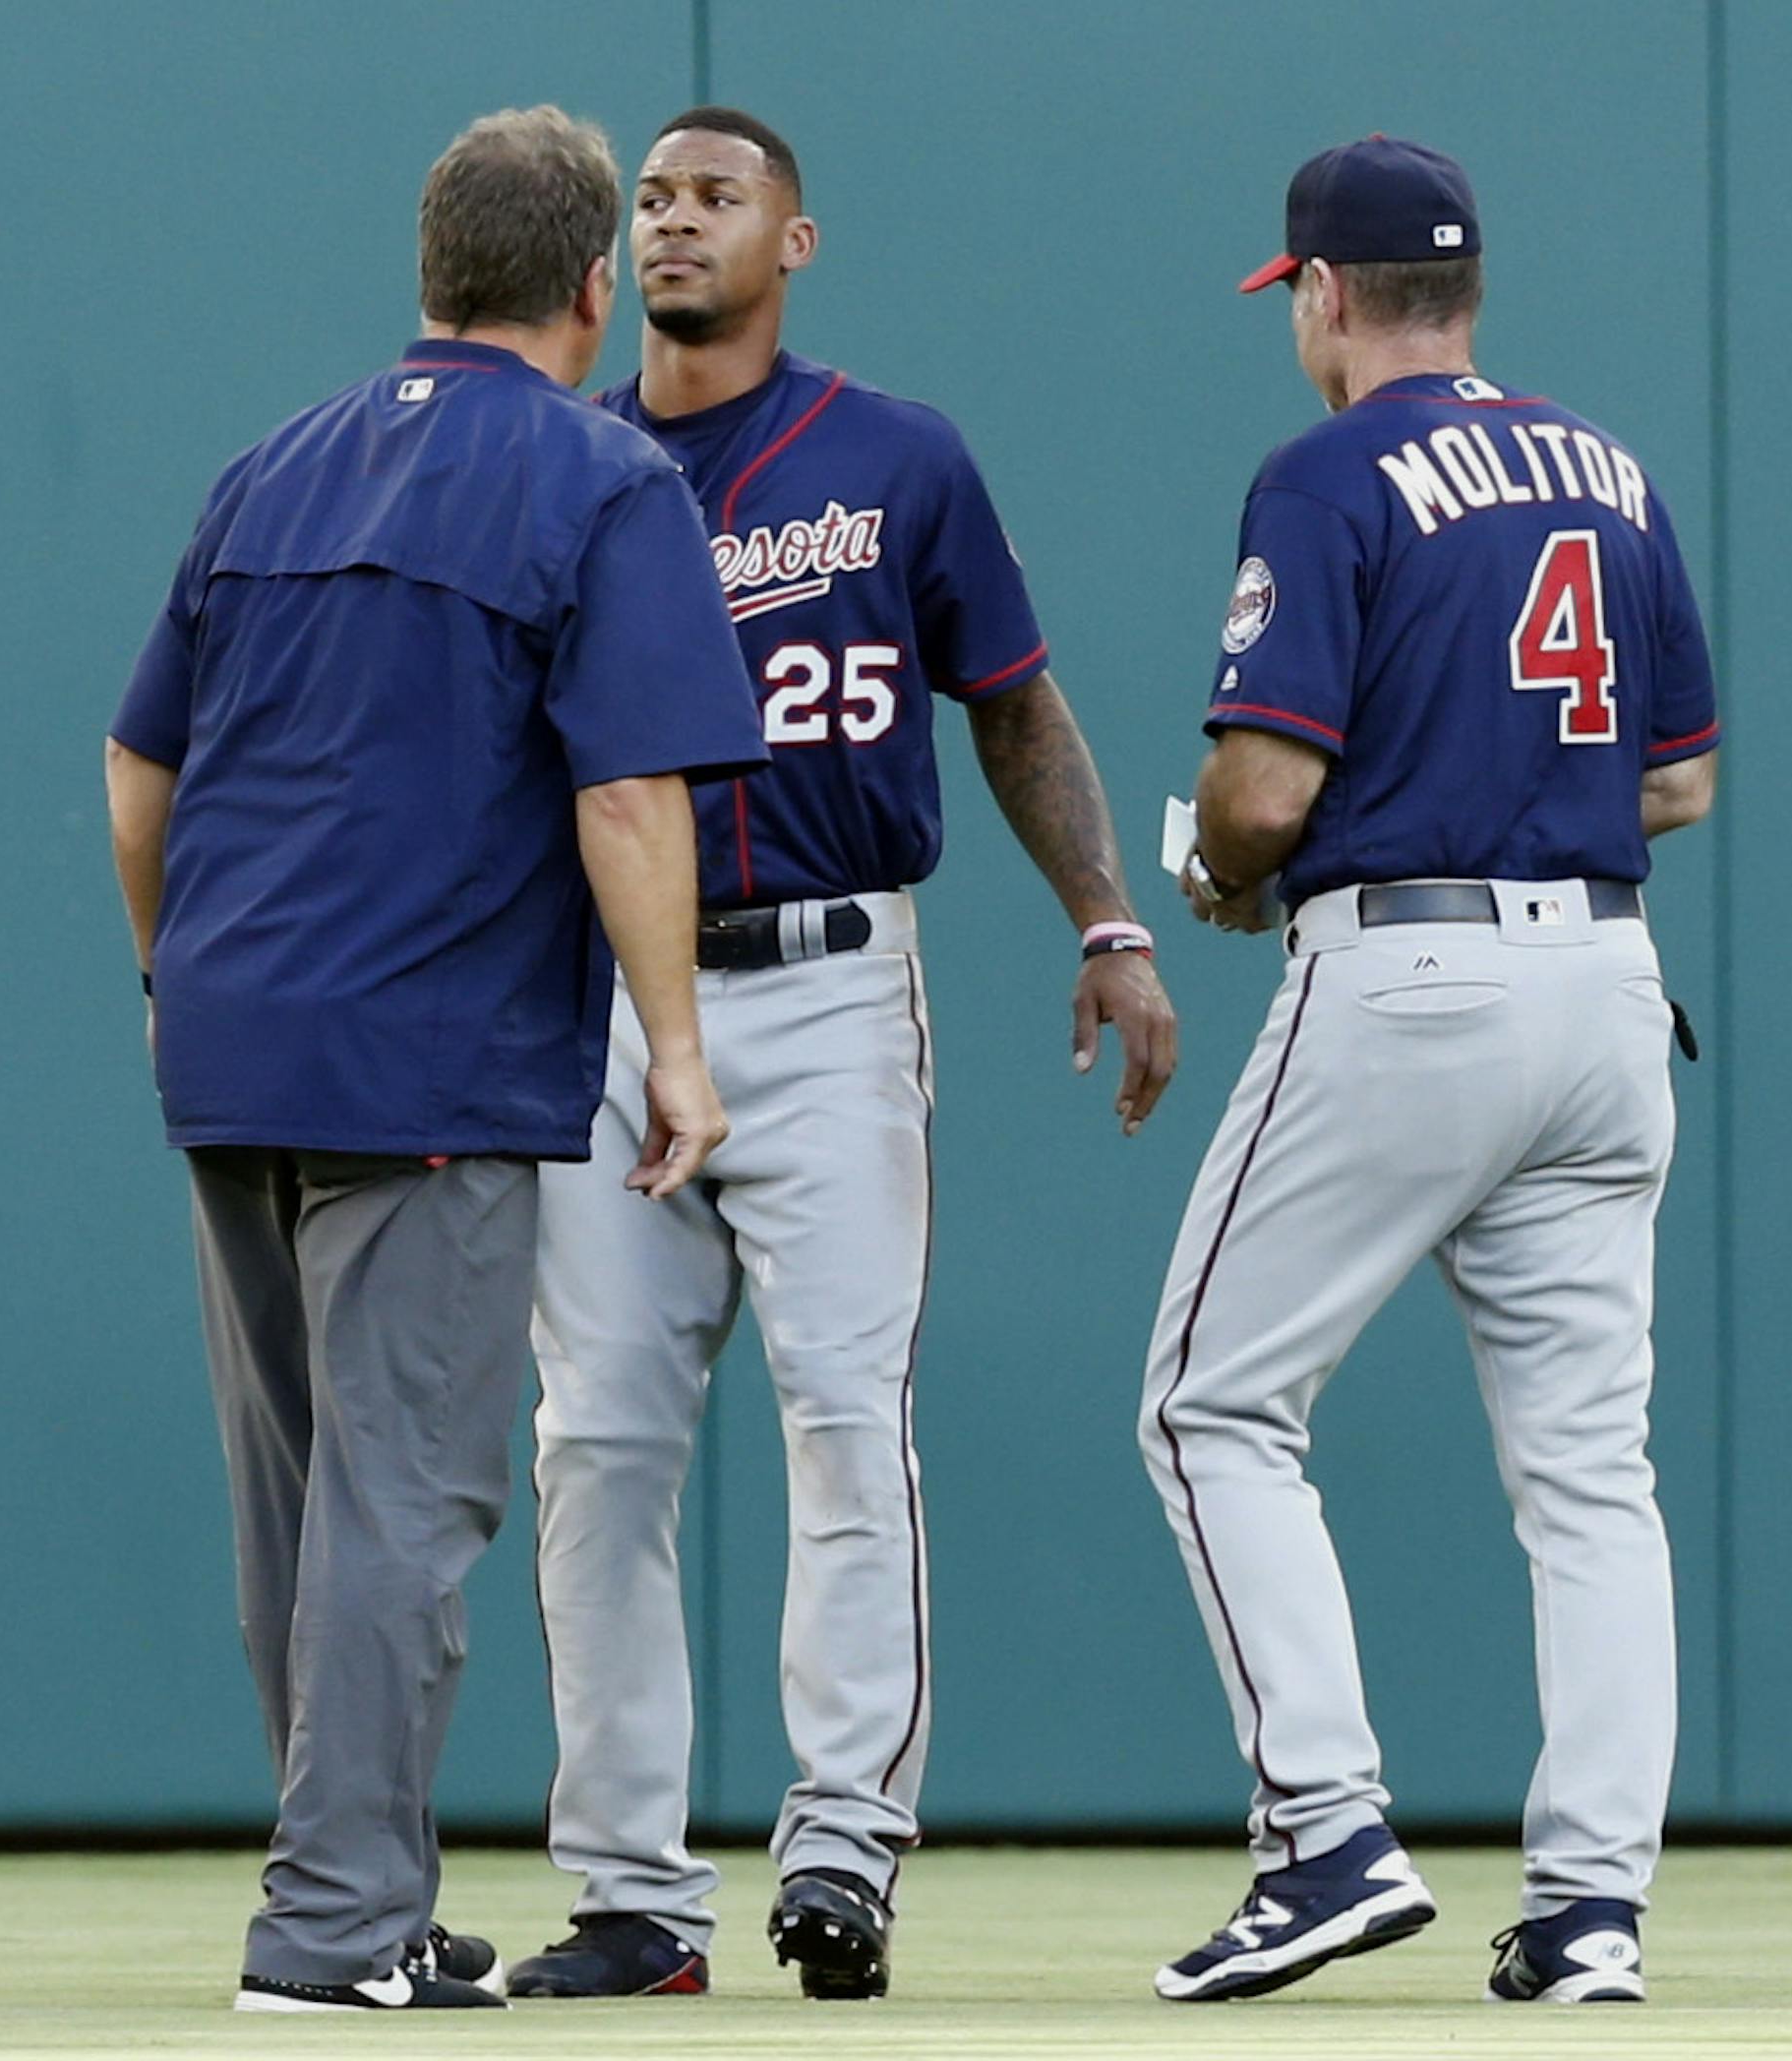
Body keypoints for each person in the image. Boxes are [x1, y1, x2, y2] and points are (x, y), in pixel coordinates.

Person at [510, 106, 1177, 2004]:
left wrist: (1110, 921)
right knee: (600, 1450)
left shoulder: (895, 456)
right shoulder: (562, 462)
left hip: (824, 987)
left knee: (842, 1417)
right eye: (650, 199)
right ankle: (634, 1896)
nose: (674, 223)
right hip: (613, 1003)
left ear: (796, 240)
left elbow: (1016, 705)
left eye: (716, 197)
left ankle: (842, 1846)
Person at [104, 104, 766, 2014]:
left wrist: (169, 972)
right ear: (586, 284)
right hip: (429, 1060)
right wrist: (681, 1051)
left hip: (232, 1035)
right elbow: (630, 793)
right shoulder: (601, 478)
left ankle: (361, 1891)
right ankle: (329, 1929)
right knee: (400, 1498)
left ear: (429, 274)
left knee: (304, 1503)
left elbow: (139, 767)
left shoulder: (270, 469)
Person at [1139, 137, 1719, 2008]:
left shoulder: (1323, 470)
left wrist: (1227, 871)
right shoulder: (1610, 469)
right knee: (1589, 1479)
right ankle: (1591, 1912)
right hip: (1609, 984)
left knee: (1211, 1407)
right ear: (1465, 292)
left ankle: (1324, 1831)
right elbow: (1683, 777)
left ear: (1319, 294)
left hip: (1413, 978)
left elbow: (1265, 789)